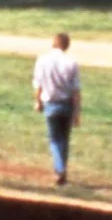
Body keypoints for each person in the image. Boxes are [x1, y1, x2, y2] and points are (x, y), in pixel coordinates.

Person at [32, 31, 81, 184]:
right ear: (66, 46)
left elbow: (38, 84)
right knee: (64, 139)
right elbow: (76, 90)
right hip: (67, 104)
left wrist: (38, 101)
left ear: (53, 43)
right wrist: (77, 112)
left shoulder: (42, 60)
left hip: (51, 103)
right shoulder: (72, 62)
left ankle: (59, 170)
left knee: (54, 139)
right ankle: (62, 169)